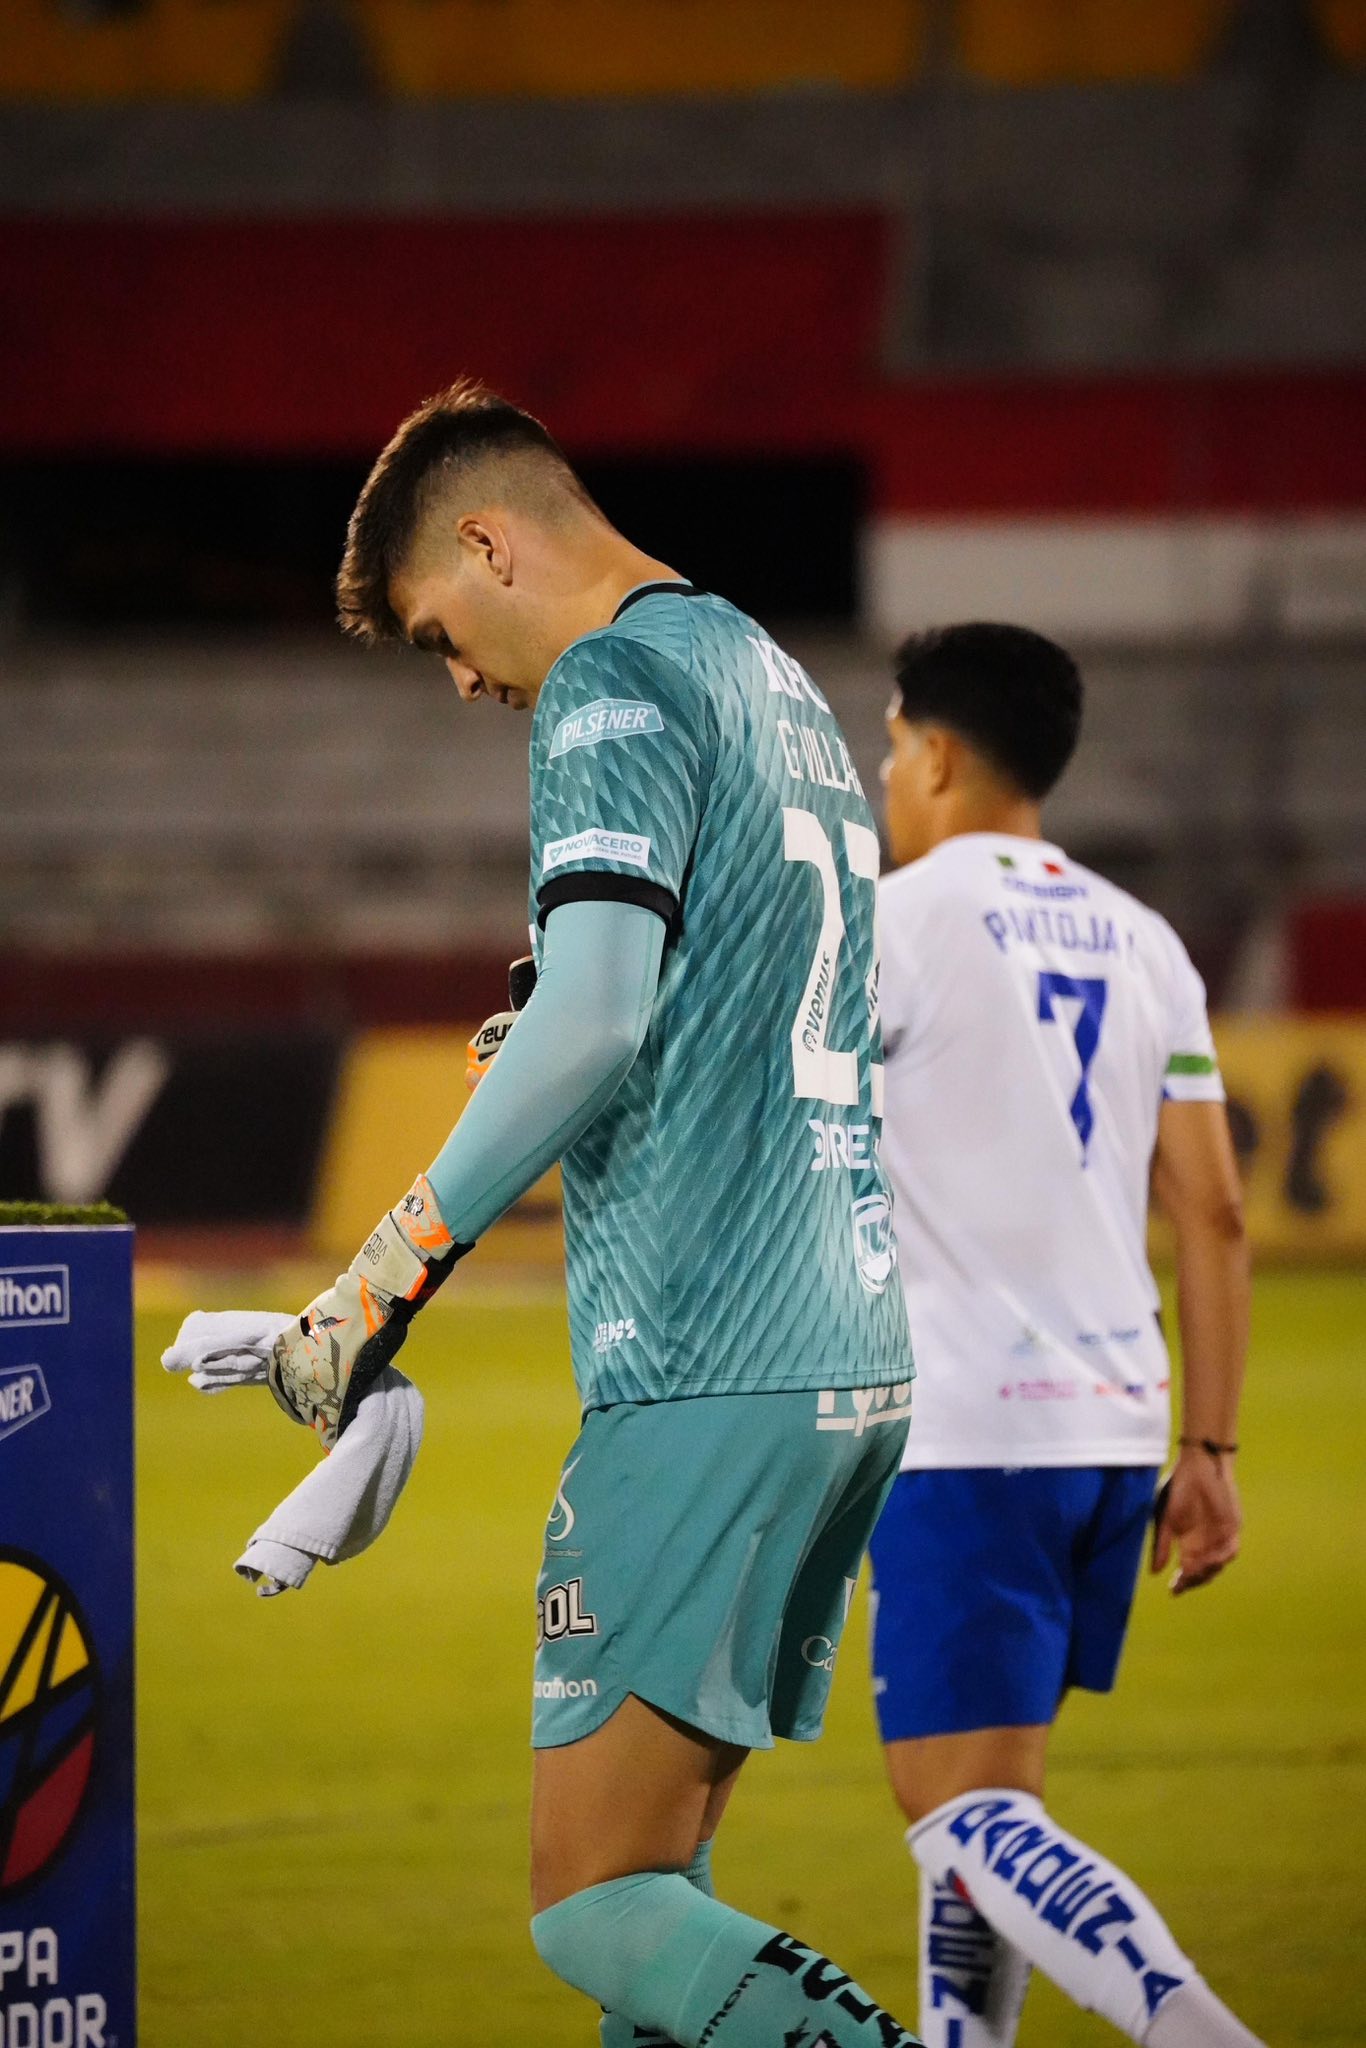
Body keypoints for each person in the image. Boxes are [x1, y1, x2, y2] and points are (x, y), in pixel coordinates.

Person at [170, 380, 922, 2048]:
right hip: (844, 1344)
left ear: (490, 541)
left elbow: (591, 1023)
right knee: (659, 1911)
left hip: (707, 1353)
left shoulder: (609, 676)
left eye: (442, 631)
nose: (460, 681)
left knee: (594, 1905)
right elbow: (729, 996)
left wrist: (369, 1293)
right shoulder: (764, 670)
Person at [870, 623, 1260, 2047]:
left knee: (954, 1814)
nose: (883, 776)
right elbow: (1213, 1214)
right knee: (994, 1813)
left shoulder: (895, 923)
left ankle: (1188, 2025)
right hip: (1113, 1432)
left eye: (890, 747)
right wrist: (1209, 1448)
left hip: (965, 1428)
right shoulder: (1145, 941)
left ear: (938, 753)